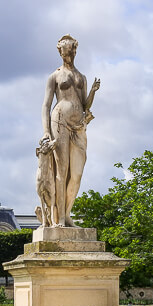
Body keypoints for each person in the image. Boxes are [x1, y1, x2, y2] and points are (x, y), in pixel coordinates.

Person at [41, 35, 100, 227]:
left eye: (73, 51)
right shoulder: (54, 76)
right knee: (62, 170)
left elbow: (84, 104)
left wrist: (92, 91)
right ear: (60, 52)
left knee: (77, 174)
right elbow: (46, 106)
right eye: (67, 52)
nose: (70, 55)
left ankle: (66, 213)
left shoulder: (81, 76)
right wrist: (46, 132)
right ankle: (60, 219)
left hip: (78, 125)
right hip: (59, 121)